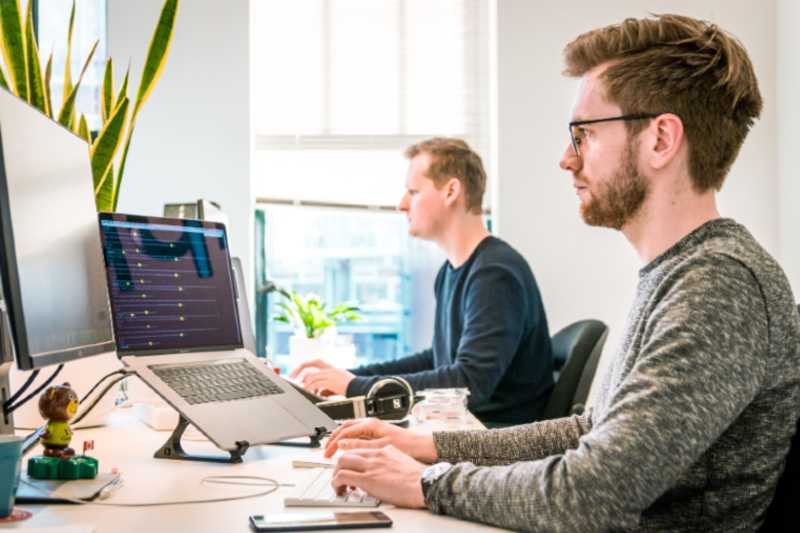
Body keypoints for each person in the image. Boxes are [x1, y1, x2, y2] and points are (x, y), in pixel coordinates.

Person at [319, 14, 800, 532]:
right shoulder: (680, 273)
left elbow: (593, 492)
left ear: (661, 139)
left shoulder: (718, 284)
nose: (567, 159)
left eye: (584, 134)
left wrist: (424, 482)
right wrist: (429, 446)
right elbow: (592, 431)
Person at [290, 137, 555, 426]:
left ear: (451, 191)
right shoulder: (453, 272)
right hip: (463, 429)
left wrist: (356, 388)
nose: (402, 205)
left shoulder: (495, 274)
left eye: (413, 192)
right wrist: (352, 377)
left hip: (493, 439)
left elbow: (469, 385)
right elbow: (437, 360)